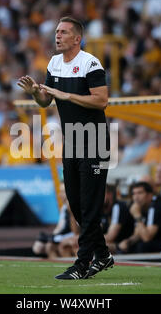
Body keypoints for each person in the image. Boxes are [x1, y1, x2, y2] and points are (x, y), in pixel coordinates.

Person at [17, 16, 112, 280]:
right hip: (72, 141)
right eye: (56, 31)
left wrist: (67, 95)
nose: (57, 36)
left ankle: (82, 264)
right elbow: (46, 101)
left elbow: (102, 100)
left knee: (90, 205)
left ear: (77, 38)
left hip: (93, 139)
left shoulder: (90, 63)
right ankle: (103, 255)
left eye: (63, 32)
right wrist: (36, 91)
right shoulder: (54, 62)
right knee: (76, 204)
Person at [118, 182, 161, 253]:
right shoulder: (140, 209)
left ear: (150, 195)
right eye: (134, 193)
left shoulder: (155, 207)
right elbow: (138, 234)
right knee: (128, 246)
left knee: (142, 246)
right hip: (158, 243)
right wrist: (128, 241)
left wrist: (137, 215)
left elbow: (147, 238)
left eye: (140, 193)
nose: (136, 197)